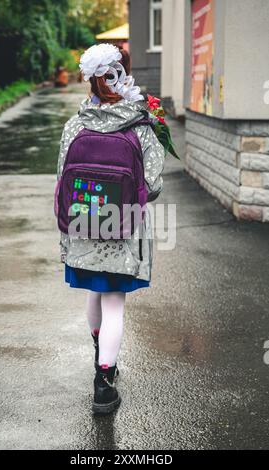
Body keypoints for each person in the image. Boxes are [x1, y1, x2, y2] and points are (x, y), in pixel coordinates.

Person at [56, 43, 165, 414]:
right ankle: (104, 385)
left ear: (90, 80)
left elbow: (62, 180)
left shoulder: (75, 125)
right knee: (115, 302)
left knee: (93, 290)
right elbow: (151, 185)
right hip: (122, 227)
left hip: (84, 222)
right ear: (123, 74)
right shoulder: (141, 127)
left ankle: (98, 352)